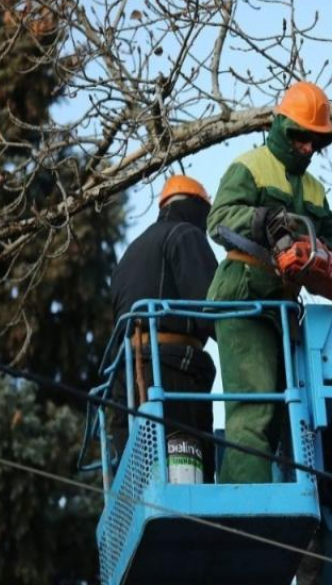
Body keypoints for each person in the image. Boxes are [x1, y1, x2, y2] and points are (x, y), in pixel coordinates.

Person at [207, 81, 332, 483]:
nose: (308, 147)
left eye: (316, 140)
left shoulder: (313, 189)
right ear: (281, 126)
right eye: (301, 137)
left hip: (282, 303)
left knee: (282, 411)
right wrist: (264, 220)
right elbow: (218, 220)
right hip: (243, 291)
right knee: (255, 405)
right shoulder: (251, 166)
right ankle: (244, 500)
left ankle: (264, 490)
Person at [110, 174, 218, 482]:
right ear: (198, 209)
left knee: (141, 474)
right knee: (186, 480)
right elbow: (211, 310)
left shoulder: (131, 252)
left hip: (126, 378)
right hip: (170, 372)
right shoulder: (186, 235)